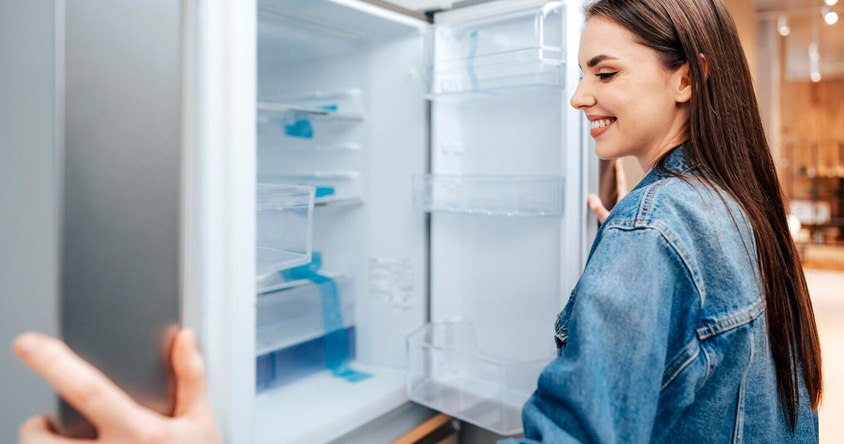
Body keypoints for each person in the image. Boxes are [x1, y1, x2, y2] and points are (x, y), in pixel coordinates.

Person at [14, 0, 822, 442]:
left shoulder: (655, 235)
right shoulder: (727, 208)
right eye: (579, 71)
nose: (578, 96)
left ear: (690, 78)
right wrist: (629, 248)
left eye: (604, 72)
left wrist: (632, 253)